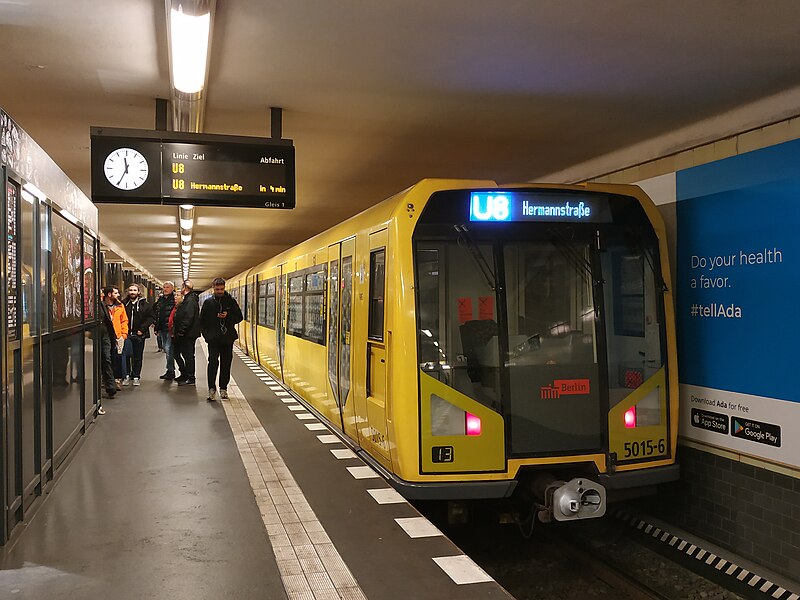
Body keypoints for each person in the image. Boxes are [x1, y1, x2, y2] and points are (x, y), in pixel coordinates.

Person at [201, 277, 243, 401]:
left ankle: (223, 388)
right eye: (217, 289)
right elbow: (202, 321)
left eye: (222, 289)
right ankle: (211, 388)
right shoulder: (208, 303)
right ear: (213, 288)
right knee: (213, 362)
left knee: (226, 363)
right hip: (213, 339)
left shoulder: (231, 301)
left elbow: (239, 317)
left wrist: (228, 316)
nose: (220, 291)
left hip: (227, 338)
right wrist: (207, 336)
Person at [122, 283, 154, 386]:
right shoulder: (124, 304)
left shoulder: (145, 305)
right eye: (130, 290)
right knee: (126, 355)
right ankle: (126, 375)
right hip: (126, 334)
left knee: (137, 356)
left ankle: (136, 376)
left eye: (134, 290)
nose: (132, 292)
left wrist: (142, 329)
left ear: (138, 292)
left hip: (140, 334)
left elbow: (150, 318)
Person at [173, 279, 200, 386]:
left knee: (188, 356)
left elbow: (188, 317)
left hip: (187, 334)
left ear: (185, 288)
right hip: (186, 333)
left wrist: (181, 331)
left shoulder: (190, 301)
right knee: (183, 354)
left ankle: (190, 377)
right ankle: (185, 375)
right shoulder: (189, 299)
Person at [98, 286, 119, 411]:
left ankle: (110, 386)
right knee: (105, 360)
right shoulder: (98, 304)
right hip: (99, 336)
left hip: (105, 335)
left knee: (106, 359)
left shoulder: (101, 304)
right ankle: (109, 385)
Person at [105, 286, 129, 391]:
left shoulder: (120, 306)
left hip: (118, 336)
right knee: (106, 358)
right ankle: (107, 380)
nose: (118, 295)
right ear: (109, 294)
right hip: (106, 336)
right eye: (115, 293)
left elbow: (124, 320)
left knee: (117, 358)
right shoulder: (102, 306)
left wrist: (124, 334)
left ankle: (117, 380)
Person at [153, 281, 177, 380]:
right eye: (164, 287)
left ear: (172, 289)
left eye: (167, 287)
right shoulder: (161, 300)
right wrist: (156, 327)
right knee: (167, 349)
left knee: (168, 349)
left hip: (170, 329)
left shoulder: (175, 299)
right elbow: (157, 313)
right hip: (162, 328)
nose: (165, 289)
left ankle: (170, 371)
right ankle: (170, 370)